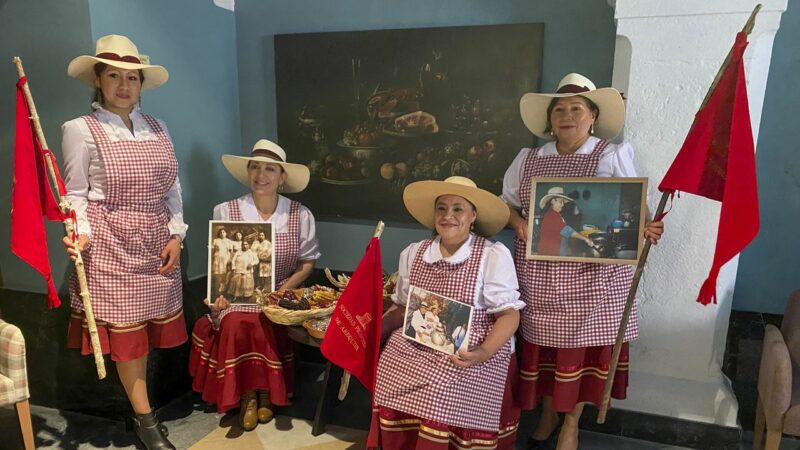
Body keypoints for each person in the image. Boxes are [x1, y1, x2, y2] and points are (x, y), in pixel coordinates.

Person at [502, 73, 664, 450]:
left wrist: (647, 226)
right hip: (539, 275)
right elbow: (505, 206)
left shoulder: (610, 154)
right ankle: (547, 412)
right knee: (543, 350)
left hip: (593, 278)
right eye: (559, 108)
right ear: (549, 119)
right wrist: (520, 222)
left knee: (577, 350)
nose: (567, 114)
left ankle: (571, 422)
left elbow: (633, 206)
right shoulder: (528, 159)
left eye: (577, 108)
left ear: (592, 116)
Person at [61, 34, 185, 450]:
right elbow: (75, 193)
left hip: (156, 239)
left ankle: (141, 410)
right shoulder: (80, 130)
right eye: (114, 75)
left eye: (131, 77)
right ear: (98, 79)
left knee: (148, 332)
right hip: (110, 242)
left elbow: (172, 188)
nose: (123, 85)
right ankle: (146, 421)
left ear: (140, 83)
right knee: (128, 336)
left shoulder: (159, 128)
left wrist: (176, 234)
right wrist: (80, 232)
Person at [369, 176, 525, 450]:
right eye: (442, 208)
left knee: (440, 390)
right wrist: (373, 333)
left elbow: (509, 316)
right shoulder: (414, 253)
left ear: (473, 215)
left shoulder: (492, 255)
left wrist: (484, 352)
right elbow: (402, 308)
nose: (448, 216)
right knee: (386, 367)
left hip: (471, 348)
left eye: (458, 208)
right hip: (419, 343)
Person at [188, 139, 319, 432]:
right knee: (236, 320)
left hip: (281, 296)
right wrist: (218, 296)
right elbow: (219, 263)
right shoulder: (226, 211)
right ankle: (249, 395)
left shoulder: (300, 214)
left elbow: (307, 264)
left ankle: (266, 395)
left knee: (268, 319)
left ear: (282, 177)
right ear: (248, 173)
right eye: (255, 168)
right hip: (236, 294)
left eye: (270, 169)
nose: (262, 175)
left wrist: (280, 292)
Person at [536, 186, 593, 256]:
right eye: (561, 202)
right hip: (550, 254)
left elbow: (561, 233)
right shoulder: (552, 215)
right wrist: (585, 238)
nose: (563, 205)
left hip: (552, 251)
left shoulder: (554, 214)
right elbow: (567, 231)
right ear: (553, 201)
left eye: (563, 202)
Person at [211, 228, 234, 295]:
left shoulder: (229, 241)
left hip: (225, 258)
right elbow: (212, 250)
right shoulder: (216, 240)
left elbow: (231, 252)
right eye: (221, 232)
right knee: (218, 273)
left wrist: (230, 259)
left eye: (223, 232)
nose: (222, 233)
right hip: (217, 258)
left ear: (226, 233)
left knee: (225, 273)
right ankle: (217, 286)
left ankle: (223, 286)